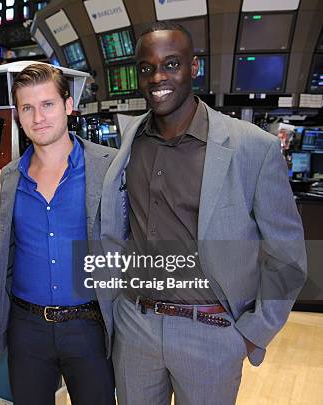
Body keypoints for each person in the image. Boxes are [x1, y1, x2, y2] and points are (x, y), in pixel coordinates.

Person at [101, 21, 307, 404]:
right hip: (135, 328)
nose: (158, 77)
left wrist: (250, 332)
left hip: (211, 332)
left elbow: (288, 256)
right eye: (147, 68)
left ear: (194, 68)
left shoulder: (252, 148)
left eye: (172, 64)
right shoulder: (130, 144)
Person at [0, 63, 117, 405]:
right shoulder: (7, 180)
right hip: (26, 328)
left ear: (67, 105)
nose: (38, 117)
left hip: (90, 326)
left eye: (47, 104)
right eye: (27, 108)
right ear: (18, 115)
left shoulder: (108, 167)